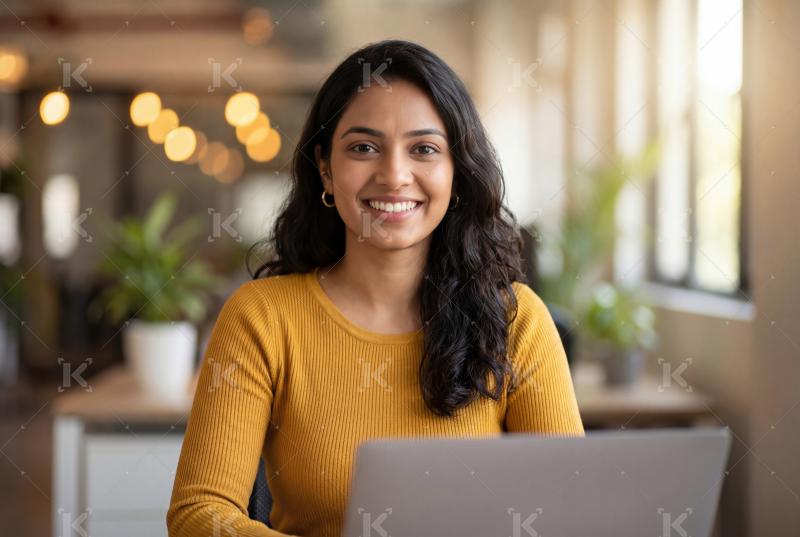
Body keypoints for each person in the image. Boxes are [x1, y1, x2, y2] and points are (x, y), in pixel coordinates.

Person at [167, 38, 584, 537]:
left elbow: (570, 512)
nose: (394, 175)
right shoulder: (261, 318)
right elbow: (200, 514)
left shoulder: (518, 320)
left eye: (424, 149)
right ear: (325, 166)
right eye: (363, 147)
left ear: (457, 170)